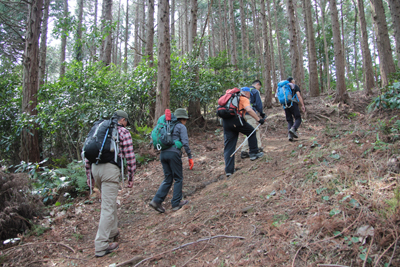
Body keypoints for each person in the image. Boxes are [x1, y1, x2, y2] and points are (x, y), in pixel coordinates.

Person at [85, 110, 136, 257]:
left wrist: (90, 178)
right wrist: (131, 177)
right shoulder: (123, 132)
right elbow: (130, 157)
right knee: (107, 206)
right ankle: (101, 245)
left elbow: (87, 154)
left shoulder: (99, 129)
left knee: (109, 201)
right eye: (126, 122)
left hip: (96, 169)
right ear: (123, 120)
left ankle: (113, 232)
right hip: (110, 170)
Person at [149, 108, 193, 213]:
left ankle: (156, 201)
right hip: (174, 154)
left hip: (163, 154)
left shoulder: (165, 126)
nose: (185, 121)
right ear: (182, 119)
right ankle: (176, 203)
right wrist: (190, 157)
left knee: (168, 178)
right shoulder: (180, 126)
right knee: (178, 178)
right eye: (185, 119)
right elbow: (185, 143)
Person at [223, 87, 265, 177]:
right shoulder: (243, 98)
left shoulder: (229, 98)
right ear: (247, 93)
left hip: (226, 122)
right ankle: (253, 153)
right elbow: (249, 109)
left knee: (229, 146)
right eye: (249, 94)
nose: (250, 95)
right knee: (252, 132)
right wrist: (259, 119)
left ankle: (229, 170)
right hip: (237, 120)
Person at [241, 80, 266, 159]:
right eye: (259, 87)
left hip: (242, 114)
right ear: (257, 84)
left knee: (250, 131)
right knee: (254, 131)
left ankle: (246, 150)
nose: (259, 89)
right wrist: (261, 114)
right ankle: (255, 149)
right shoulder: (255, 91)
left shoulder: (245, 91)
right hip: (250, 114)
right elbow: (259, 104)